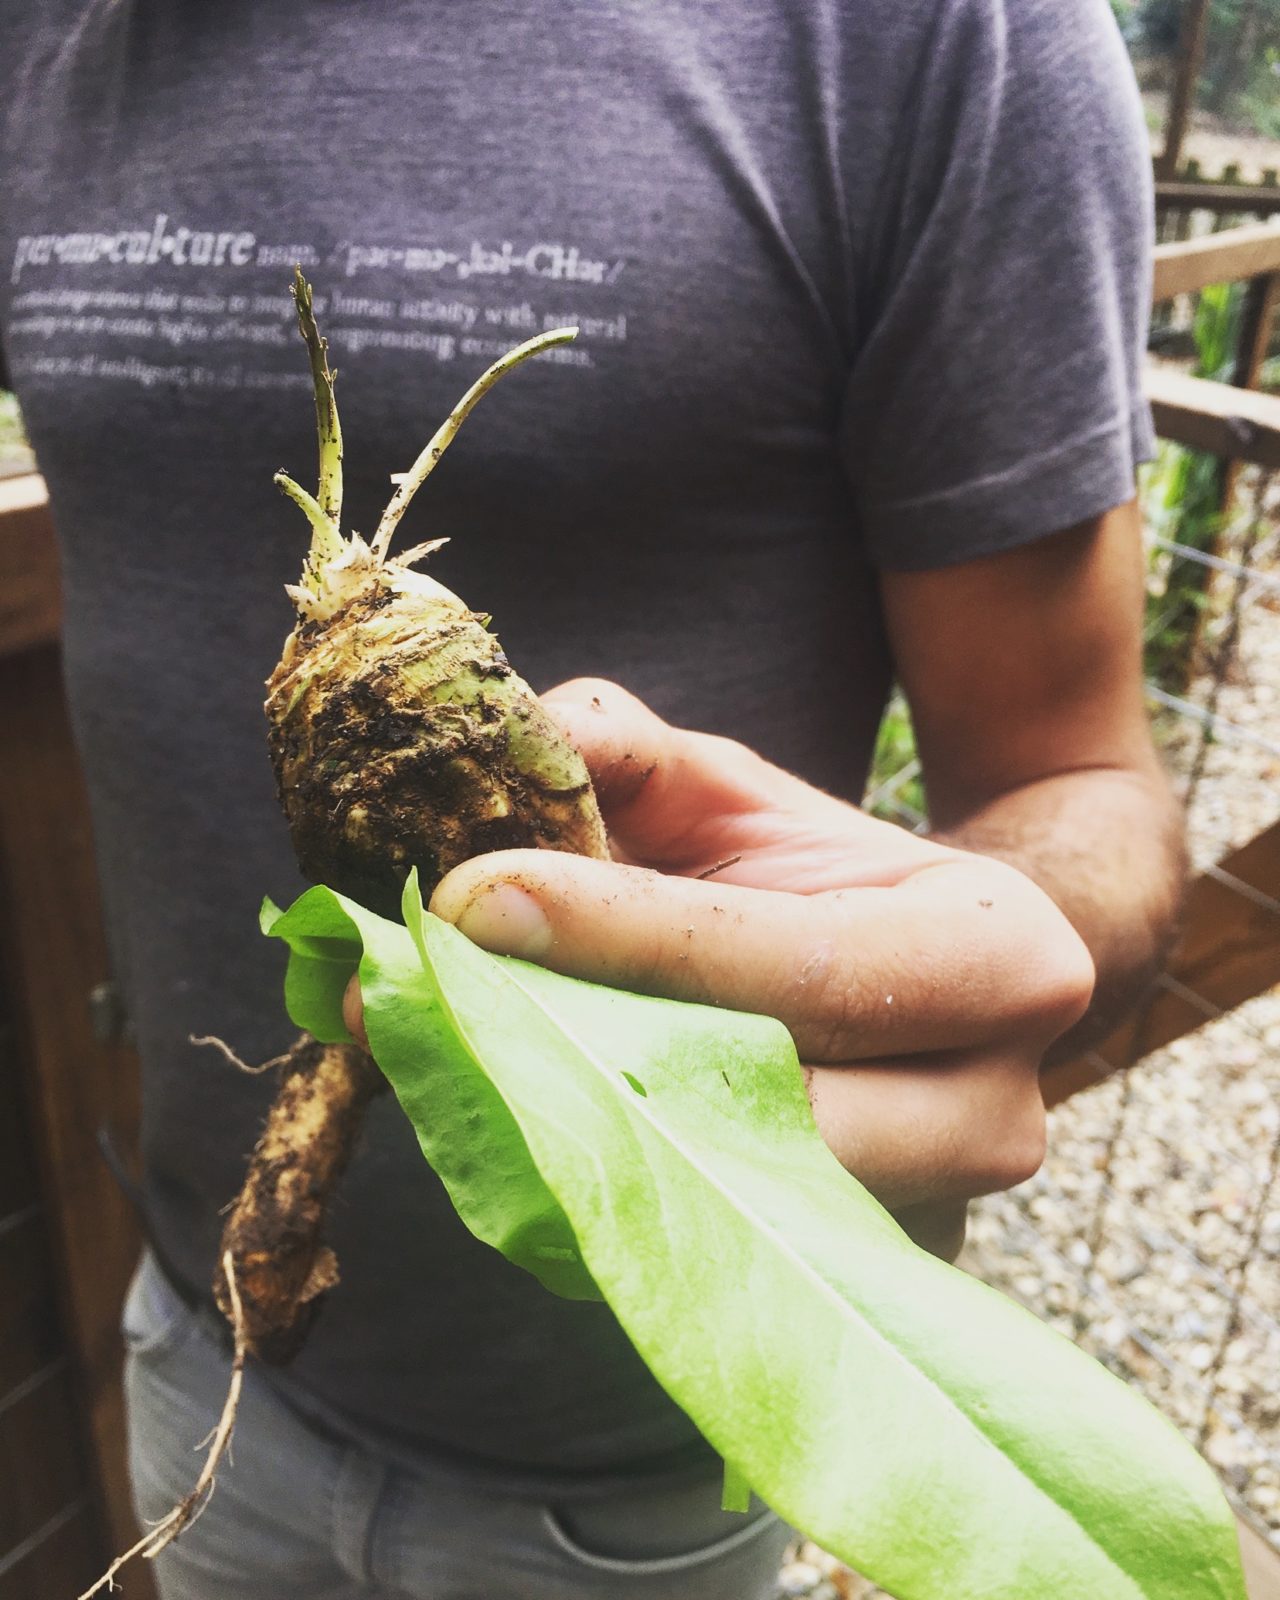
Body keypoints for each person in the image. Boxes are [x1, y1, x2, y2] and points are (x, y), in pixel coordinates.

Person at [0, 1, 1181, 1595]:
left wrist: (977, 955)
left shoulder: (946, 38)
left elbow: (1080, 777)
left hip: (647, 1464)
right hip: (201, 1336)